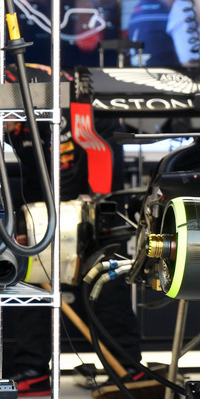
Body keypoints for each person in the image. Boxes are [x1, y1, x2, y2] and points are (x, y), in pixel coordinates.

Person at [3, 65, 143, 397]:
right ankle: (33, 369)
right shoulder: (14, 110)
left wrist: (71, 224)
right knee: (29, 272)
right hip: (43, 190)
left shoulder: (51, 103)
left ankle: (127, 366)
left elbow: (88, 164)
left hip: (96, 180)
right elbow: (35, 174)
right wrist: (32, 226)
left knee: (103, 271)